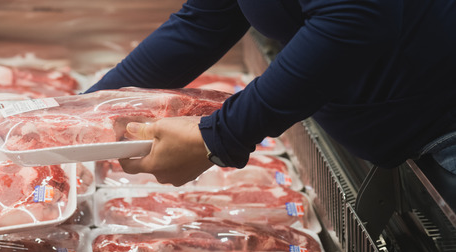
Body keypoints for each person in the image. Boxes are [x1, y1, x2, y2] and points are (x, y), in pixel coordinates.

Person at [86, 0, 456, 187]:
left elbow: (352, 20)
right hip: (405, 143)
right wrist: (81, 116)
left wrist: (220, 136)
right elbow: (206, 20)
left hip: (443, 137)